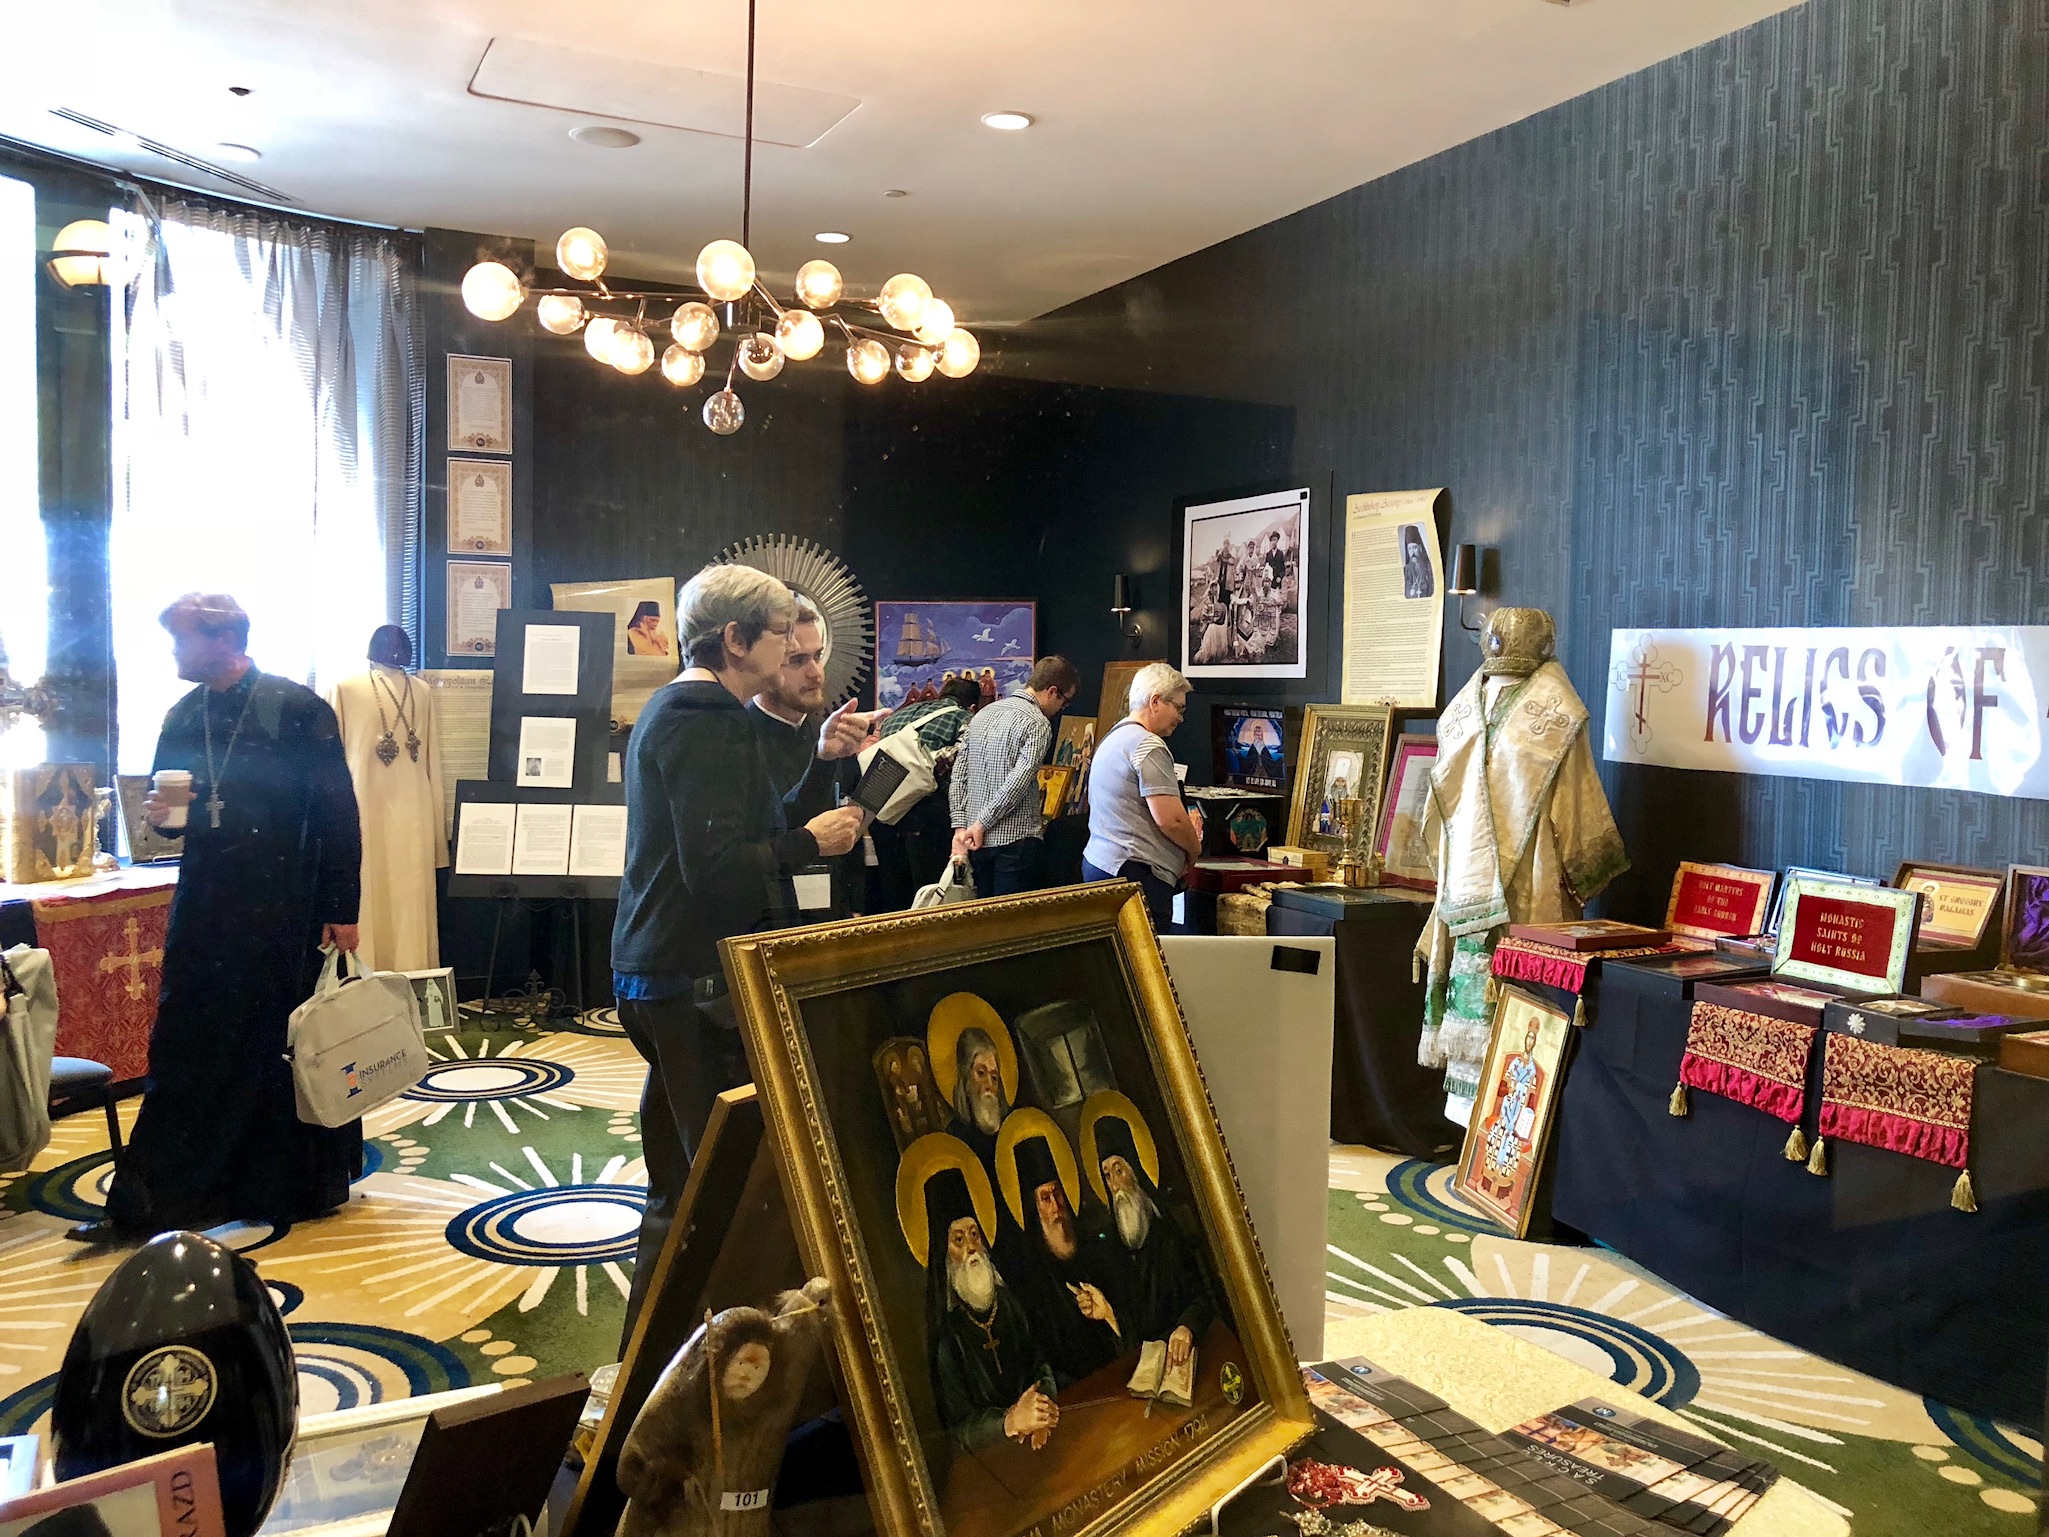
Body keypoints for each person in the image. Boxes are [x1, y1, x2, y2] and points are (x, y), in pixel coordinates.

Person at [611, 564, 883, 1337]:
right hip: (692, 981)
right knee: (723, 1197)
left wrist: (814, 778)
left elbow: (747, 826)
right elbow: (722, 872)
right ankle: (704, 1373)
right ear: (735, 640)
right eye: (781, 637)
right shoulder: (704, 717)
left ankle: (644, 1368)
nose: (796, 651)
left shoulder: (683, 708)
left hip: (663, 973)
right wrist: (809, 842)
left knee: (681, 1189)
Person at [77, 594, 363, 1244]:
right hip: (206, 907)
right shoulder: (183, 714)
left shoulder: (295, 708)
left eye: (181, 640)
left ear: (223, 638)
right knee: (186, 1043)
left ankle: (286, 1185)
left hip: (284, 905)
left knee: (278, 1044)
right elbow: (165, 818)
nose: (174, 653)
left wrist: (342, 909)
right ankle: (160, 1196)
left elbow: (337, 812)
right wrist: (160, 817)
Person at [1414, 607, 1625, 1127]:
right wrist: (1588, 874)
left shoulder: (1465, 709)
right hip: (1525, 880)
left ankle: (1490, 1129)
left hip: (1470, 882)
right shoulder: (1557, 712)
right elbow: (1578, 811)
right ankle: (1497, 1132)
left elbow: (1436, 811)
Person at [324, 624, 446, 972]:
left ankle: (407, 979)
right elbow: (330, 765)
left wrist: (437, 841)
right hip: (366, 809)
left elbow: (431, 761)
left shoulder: (421, 691)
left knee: (406, 898)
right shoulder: (345, 688)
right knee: (370, 890)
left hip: (406, 812)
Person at [919, 1162, 1059, 1453]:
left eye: (974, 1234)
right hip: (990, 1459)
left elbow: (1039, 1363)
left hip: (1038, 1442)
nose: (971, 1248)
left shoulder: (1007, 1305)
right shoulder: (948, 1338)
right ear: (945, 1254)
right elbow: (958, 1429)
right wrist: (1010, 1422)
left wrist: (1042, 1407)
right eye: (958, 1240)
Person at [747, 600, 866, 916]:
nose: (816, 673)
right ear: (765, 663)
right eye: (797, 660)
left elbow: (852, 823)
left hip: (831, 914)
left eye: (817, 656)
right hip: (766, 919)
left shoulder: (832, 733)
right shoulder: (735, 738)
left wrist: (854, 908)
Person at [1080, 1102, 1212, 1368]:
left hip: (1190, 1358)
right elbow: (1134, 1333)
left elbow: (1203, 1296)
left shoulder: (1168, 1230)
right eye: (1107, 1175)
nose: (1115, 1185)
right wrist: (1108, 1314)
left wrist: (1186, 1326)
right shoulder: (1112, 1247)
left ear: (1135, 1171)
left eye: (1119, 1170)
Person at [996, 1121, 1127, 1385]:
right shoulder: (1030, 1277)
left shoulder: (1095, 1252)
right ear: (1034, 1208)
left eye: (1058, 1193)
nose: (1056, 1205)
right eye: (1045, 1198)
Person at [1081, 662, 1203, 928]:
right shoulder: (1148, 744)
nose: (1181, 718)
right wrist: (1194, 850)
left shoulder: (1114, 737)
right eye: (1179, 708)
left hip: (1101, 865)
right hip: (1135, 873)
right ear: (1155, 701)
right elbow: (1171, 820)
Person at [949, 656, 1079, 896]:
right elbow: (1017, 783)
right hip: (1016, 841)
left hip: (975, 842)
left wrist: (960, 828)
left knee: (984, 913)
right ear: (1052, 691)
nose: (1061, 709)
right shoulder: (1038, 723)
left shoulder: (982, 714)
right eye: (1064, 702)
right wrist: (980, 824)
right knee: (1014, 917)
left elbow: (959, 774)